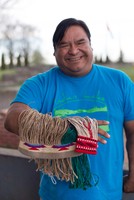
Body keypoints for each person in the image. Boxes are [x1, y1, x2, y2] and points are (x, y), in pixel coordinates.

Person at [4, 18, 134, 200]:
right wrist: (71, 129)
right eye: (64, 45)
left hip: (109, 195)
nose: (73, 50)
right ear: (55, 52)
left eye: (80, 42)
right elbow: (11, 120)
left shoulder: (120, 81)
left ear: (90, 45)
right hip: (55, 195)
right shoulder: (39, 84)